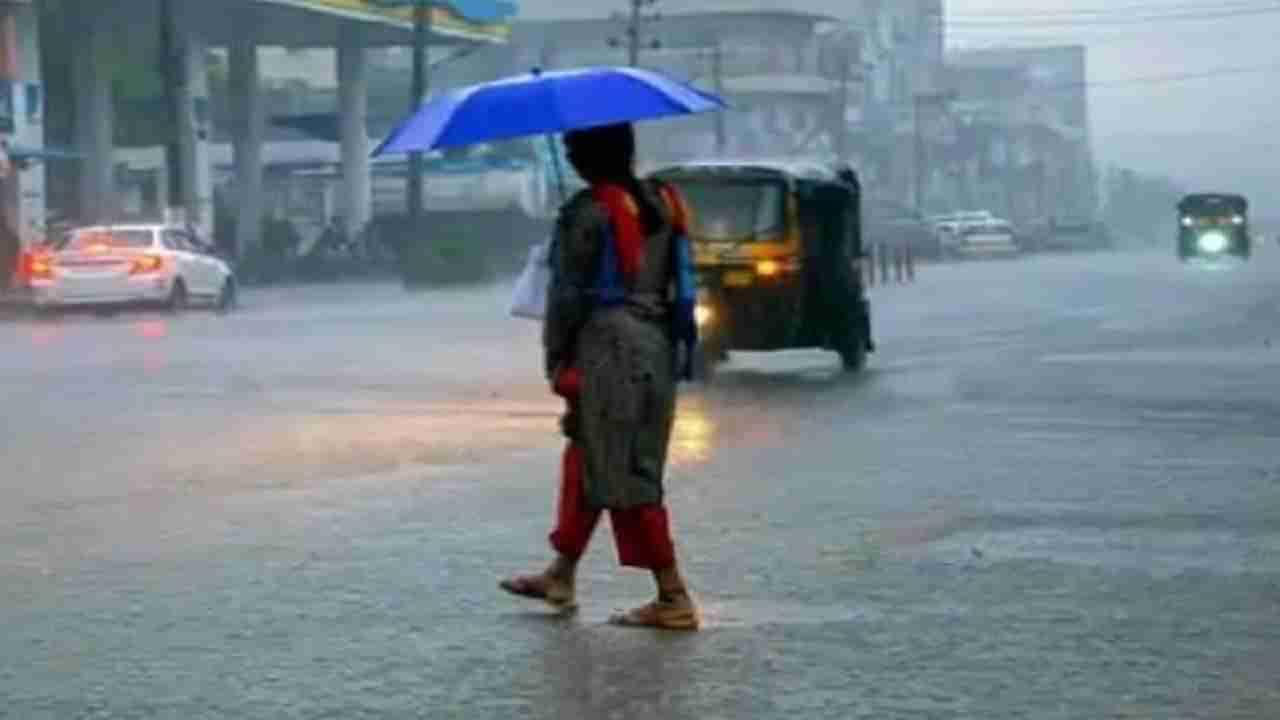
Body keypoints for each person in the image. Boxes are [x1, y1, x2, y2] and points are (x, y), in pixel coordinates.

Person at [499, 122, 700, 630]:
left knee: (626, 470)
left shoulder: (586, 213)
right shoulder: (663, 201)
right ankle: (561, 573)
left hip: (607, 351)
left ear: (588, 156)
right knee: (591, 456)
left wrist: (557, 360)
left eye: (572, 149)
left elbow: (565, 296)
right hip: (656, 345)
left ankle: (672, 595)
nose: (568, 158)